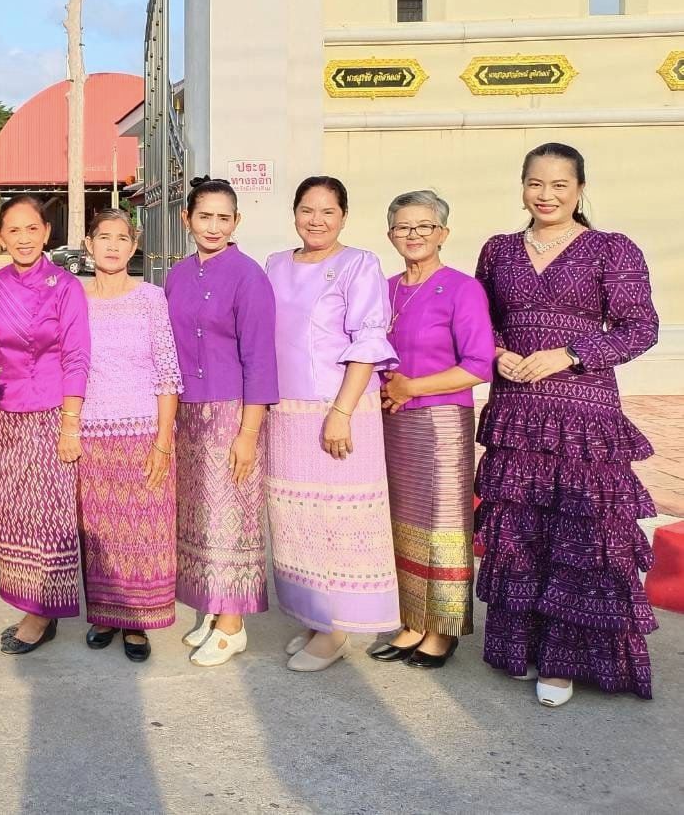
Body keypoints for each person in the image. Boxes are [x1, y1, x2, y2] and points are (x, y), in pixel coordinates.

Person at [475, 142, 659, 705]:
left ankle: (565, 660)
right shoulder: (499, 250)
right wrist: (497, 351)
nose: (546, 195)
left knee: (579, 537)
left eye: (559, 184)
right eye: (536, 183)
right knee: (522, 533)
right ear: (522, 185)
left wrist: (570, 354)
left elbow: (640, 328)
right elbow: (477, 320)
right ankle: (524, 647)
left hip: (584, 416)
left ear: (580, 188)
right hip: (517, 413)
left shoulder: (611, 249)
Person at [264, 178, 400, 673]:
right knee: (296, 520)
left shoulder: (358, 264)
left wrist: (341, 412)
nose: (316, 219)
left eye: (327, 211)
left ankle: (339, 626)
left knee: (338, 522)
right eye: (306, 209)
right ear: (293, 213)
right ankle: (316, 617)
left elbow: (367, 339)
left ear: (344, 215)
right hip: (286, 411)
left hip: (336, 410)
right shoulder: (276, 265)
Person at [371, 190, 493, 671]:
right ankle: (410, 620)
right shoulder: (384, 287)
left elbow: (478, 365)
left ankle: (441, 629)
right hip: (392, 420)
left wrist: (411, 387)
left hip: (441, 423)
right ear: (390, 235)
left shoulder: (463, 288)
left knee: (442, 526)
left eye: (424, 226)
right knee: (400, 525)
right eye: (403, 227)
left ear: (443, 232)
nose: (413, 235)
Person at [166, 178, 280, 667]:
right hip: (188, 412)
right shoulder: (176, 274)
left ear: (237, 223)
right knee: (200, 516)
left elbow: (260, 359)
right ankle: (214, 608)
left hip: (232, 412)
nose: (214, 227)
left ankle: (233, 624)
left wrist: (248, 433)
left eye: (224, 218)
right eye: (205, 216)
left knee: (232, 514)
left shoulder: (249, 276)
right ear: (186, 219)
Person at [0, 195, 90, 655]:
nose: (24, 238)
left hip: (50, 414)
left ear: (47, 232)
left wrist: (70, 423)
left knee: (49, 515)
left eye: (33, 229)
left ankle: (41, 611)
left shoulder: (65, 286)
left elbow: (77, 356)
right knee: (12, 514)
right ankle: (26, 600)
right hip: (5, 414)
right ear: (1, 236)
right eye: (14, 230)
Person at [77, 209, 181, 662]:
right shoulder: (74, 297)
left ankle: (138, 620)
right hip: (91, 431)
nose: (113, 246)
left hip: (143, 430)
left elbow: (167, 372)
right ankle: (104, 612)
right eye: (104, 237)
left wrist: (163, 440)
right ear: (88, 244)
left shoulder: (152, 298)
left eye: (123, 238)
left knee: (145, 529)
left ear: (134, 247)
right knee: (99, 528)